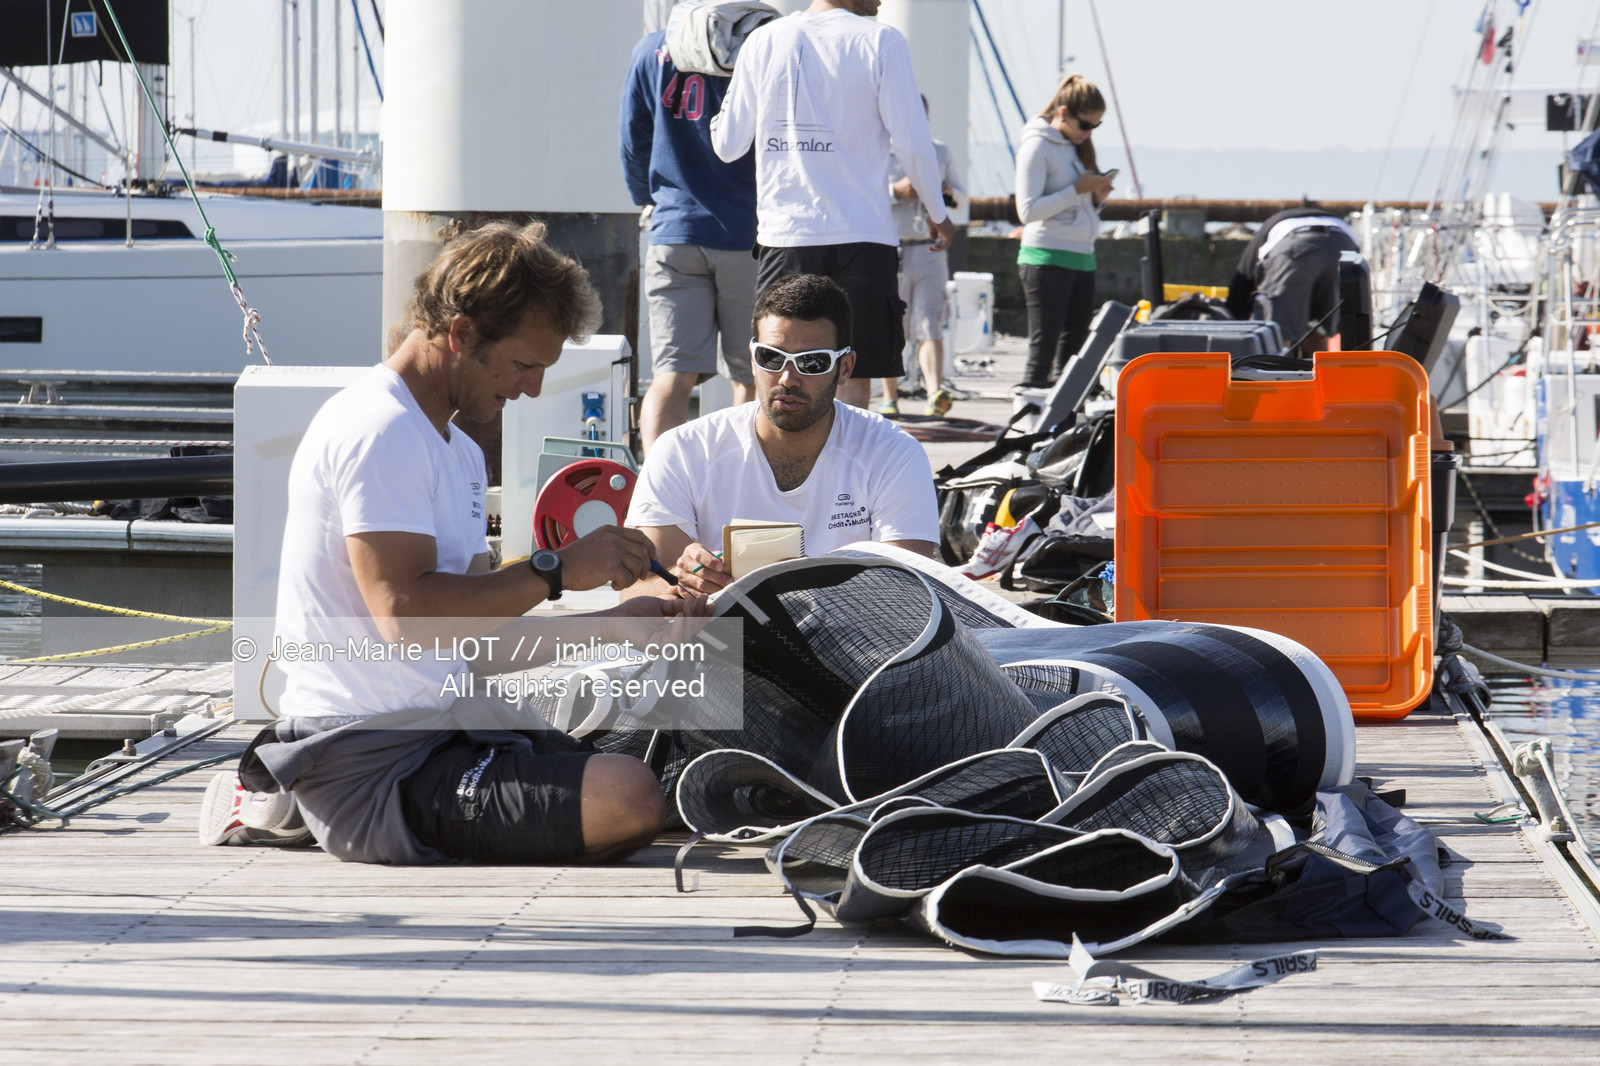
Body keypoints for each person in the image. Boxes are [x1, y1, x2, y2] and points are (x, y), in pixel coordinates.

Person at [202, 221, 707, 865]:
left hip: (448, 729)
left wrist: (616, 624)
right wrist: (555, 570)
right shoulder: (377, 429)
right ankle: (292, 802)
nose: (529, 388)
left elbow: (470, 639)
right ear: (461, 334)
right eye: (525, 365)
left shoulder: (460, 451)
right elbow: (405, 618)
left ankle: (287, 803)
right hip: (369, 764)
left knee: (663, 779)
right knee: (630, 797)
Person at [624, 274, 939, 598]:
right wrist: (682, 581)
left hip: (844, 645)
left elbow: (909, 597)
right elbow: (637, 593)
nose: (788, 378)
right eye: (771, 357)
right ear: (752, 358)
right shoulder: (682, 450)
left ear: (845, 368)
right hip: (721, 644)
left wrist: (810, 591)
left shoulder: (894, 454)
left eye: (812, 362)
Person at [709, 0, 955, 411]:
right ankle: (846, 476)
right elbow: (912, 142)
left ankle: (777, 473)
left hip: (786, 233)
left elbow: (727, 145)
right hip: (863, 232)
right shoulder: (882, 40)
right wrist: (938, 212)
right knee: (854, 373)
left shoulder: (764, 40)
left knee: (779, 374)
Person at [621, 19, 761, 453]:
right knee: (753, 377)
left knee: (672, 375)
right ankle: (739, 485)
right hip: (747, 234)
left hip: (674, 233)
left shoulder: (652, 48)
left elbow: (633, 139)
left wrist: (652, 199)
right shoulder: (764, 41)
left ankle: (658, 492)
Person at [1015, 74, 1115, 390]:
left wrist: (1095, 198)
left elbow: (1072, 204)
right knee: (1042, 355)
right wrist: (1077, 189)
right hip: (1045, 258)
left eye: (1095, 127)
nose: (1088, 133)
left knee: (1074, 357)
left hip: (1082, 258)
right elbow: (1027, 211)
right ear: (1062, 114)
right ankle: (1032, 428)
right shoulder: (1037, 146)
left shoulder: (1073, 147)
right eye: (1085, 125)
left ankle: (1064, 431)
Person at [879, 95, 966, 420]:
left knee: (930, 321)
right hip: (891, 247)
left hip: (929, 249)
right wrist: (895, 192)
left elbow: (961, 195)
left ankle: (934, 392)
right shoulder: (876, 150)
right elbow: (859, 194)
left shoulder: (939, 151)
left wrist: (945, 193)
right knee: (893, 326)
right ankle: (890, 396)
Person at [1224, 204, 1360, 357]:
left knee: (1276, 331)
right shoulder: (1327, 218)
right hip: (1343, 243)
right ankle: (1320, 376)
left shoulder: (1271, 226)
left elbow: (1243, 278)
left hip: (1295, 245)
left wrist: (1233, 315)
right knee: (1320, 327)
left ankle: (1273, 375)